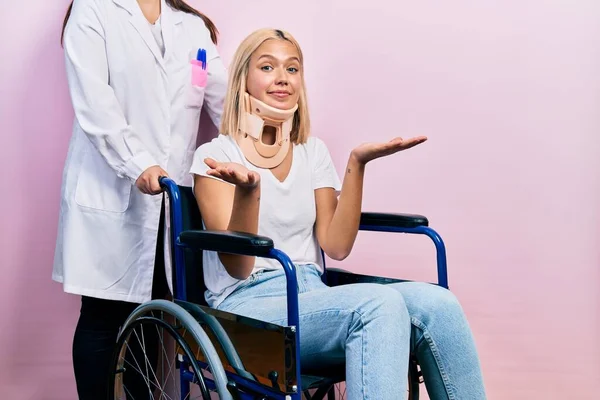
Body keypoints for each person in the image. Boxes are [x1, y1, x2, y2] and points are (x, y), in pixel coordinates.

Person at [190, 28, 487, 399]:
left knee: (438, 304)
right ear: (243, 82)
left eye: (293, 69)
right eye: (267, 67)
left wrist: (357, 164)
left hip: (313, 294)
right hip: (248, 306)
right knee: (378, 304)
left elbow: (337, 245)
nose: (283, 77)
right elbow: (237, 265)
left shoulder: (312, 153)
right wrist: (250, 190)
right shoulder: (215, 156)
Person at [53, 0, 227, 398]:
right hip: (111, 187)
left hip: (170, 200)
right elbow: (96, 105)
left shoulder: (191, 27)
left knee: (151, 314)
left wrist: (266, 134)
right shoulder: (93, 10)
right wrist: (138, 164)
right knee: (101, 316)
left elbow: (223, 98)